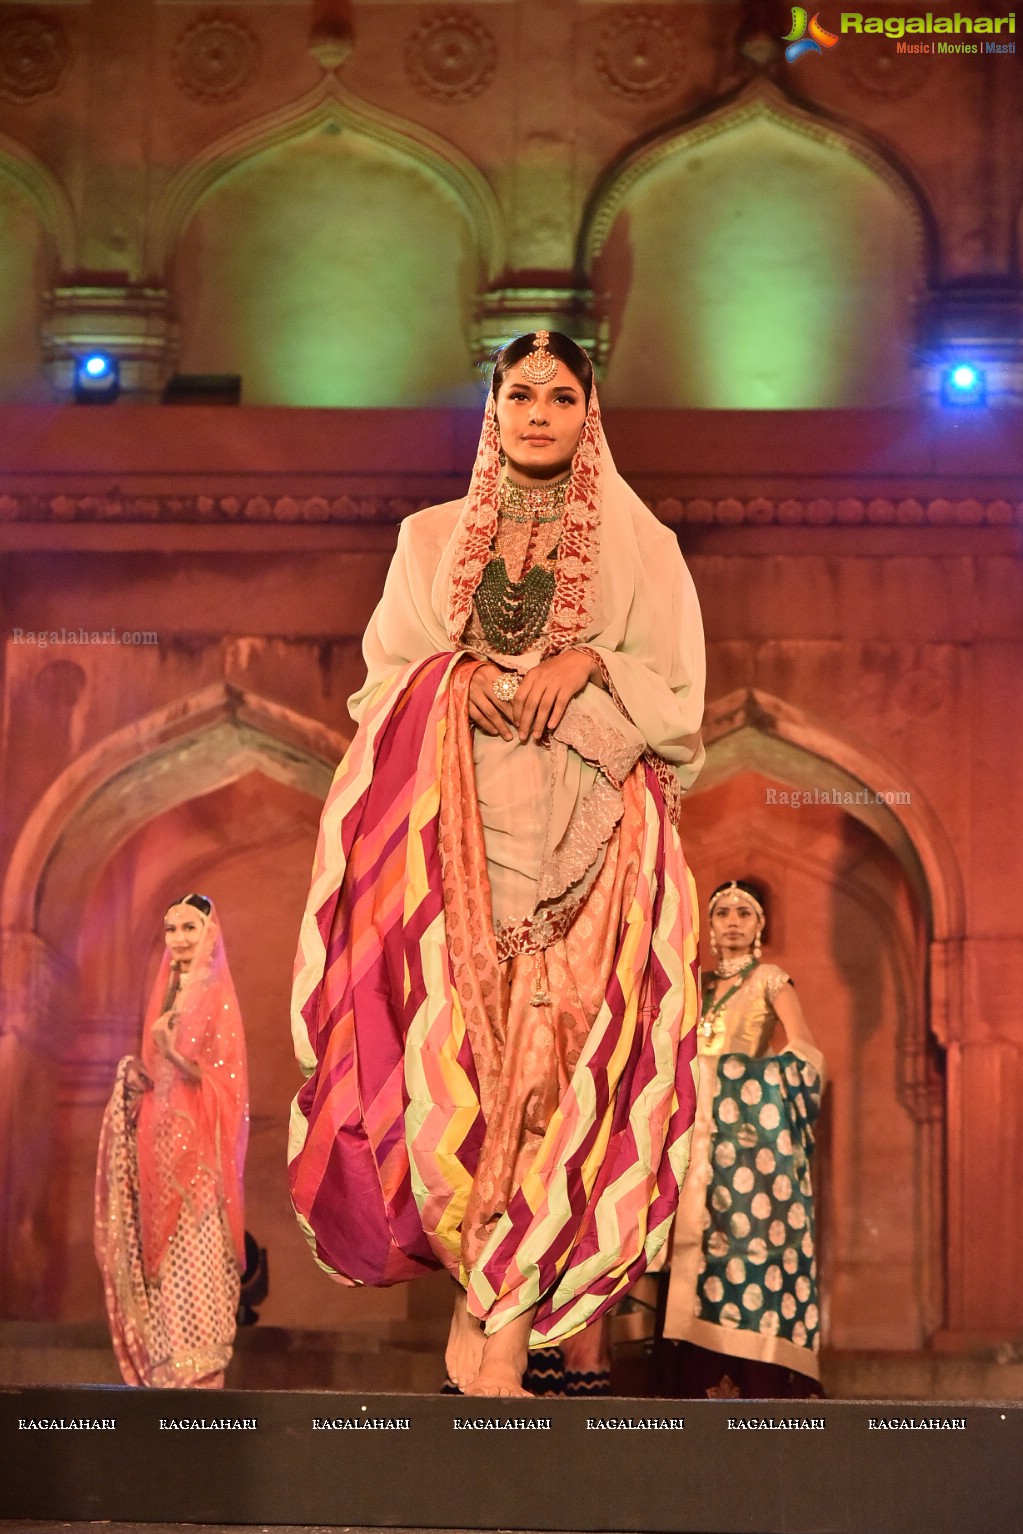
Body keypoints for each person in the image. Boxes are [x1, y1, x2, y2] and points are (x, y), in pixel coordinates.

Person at [289, 330, 706, 1397]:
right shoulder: (428, 540)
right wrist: (455, 679)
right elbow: (382, 685)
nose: (538, 413)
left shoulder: (638, 540)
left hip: (590, 830)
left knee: (563, 1067)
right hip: (456, 836)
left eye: (561, 397)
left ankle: (506, 1335)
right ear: (493, 407)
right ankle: (479, 1321)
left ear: (588, 411)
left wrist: (593, 655)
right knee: (461, 1072)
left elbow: (678, 698)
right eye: (520, 394)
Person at [649, 879, 825, 1399]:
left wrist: (729, 1077)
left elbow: (807, 1057)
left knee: (742, 1254)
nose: (731, 922)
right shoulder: (695, 985)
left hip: (748, 1154)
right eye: (721, 912)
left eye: (743, 914)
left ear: (760, 926)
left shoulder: (770, 979)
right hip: (691, 1147)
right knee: (684, 1257)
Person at [94, 894, 249, 1388]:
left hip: (200, 1153)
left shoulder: (217, 995)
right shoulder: (166, 993)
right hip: (159, 1146)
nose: (179, 938)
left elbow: (227, 1084)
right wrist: (139, 1077)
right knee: (160, 1256)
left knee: (197, 1248)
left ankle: (201, 1374)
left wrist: (171, 1054)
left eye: (190, 927)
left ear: (210, 932)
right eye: (172, 929)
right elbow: (157, 1071)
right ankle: (165, 1370)